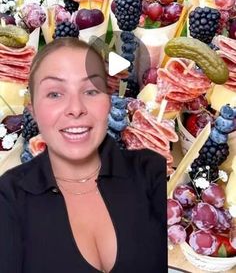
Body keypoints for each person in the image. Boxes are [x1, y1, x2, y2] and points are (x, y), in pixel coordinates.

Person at [0, 37, 167, 273]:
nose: (76, 108)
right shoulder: (9, 196)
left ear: (109, 101)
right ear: (32, 110)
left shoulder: (152, 170)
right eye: (55, 94)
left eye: (90, 90)